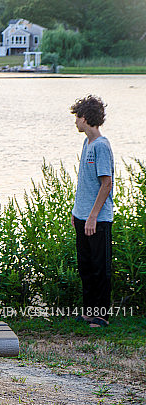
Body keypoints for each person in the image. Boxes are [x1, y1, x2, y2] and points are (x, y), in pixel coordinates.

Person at [70, 95, 114, 327]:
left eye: (77, 117)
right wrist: (77, 212)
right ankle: (88, 311)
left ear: (85, 118)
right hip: (82, 216)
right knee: (85, 267)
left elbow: (105, 184)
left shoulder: (101, 146)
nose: (75, 121)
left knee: (99, 268)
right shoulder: (86, 143)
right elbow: (85, 182)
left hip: (98, 219)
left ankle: (101, 316)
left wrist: (93, 216)